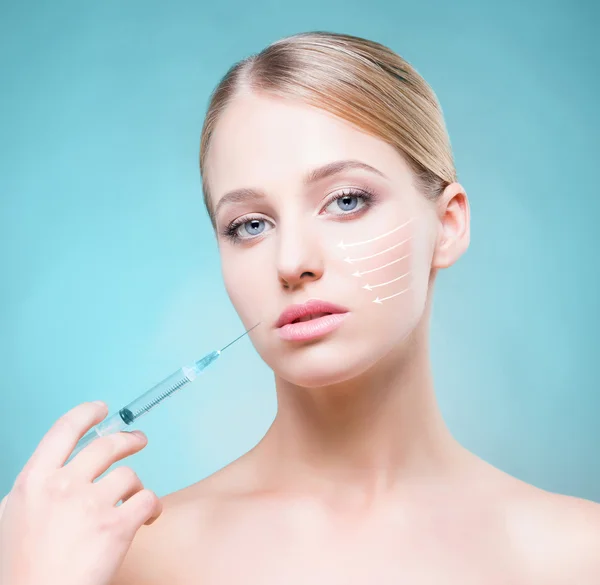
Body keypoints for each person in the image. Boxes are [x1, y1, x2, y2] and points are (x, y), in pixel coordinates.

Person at [1, 31, 598, 585]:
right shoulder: (122, 558)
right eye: (250, 224)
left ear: (447, 224)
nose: (292, 261)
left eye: (346, 200)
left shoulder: (578, 554)